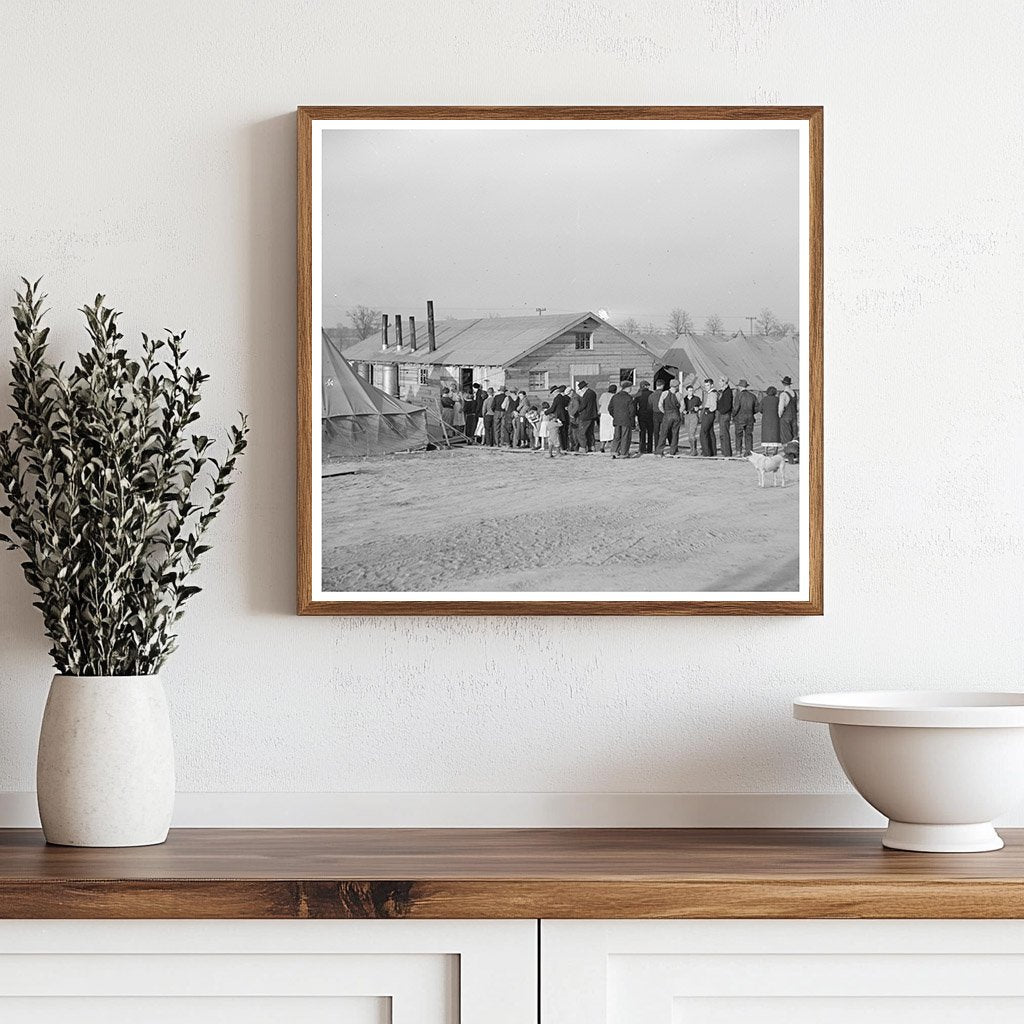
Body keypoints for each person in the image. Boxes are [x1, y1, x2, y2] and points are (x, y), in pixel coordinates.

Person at [608, 382, 636, 458]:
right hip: (626, 420)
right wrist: (633, 422)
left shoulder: (615, 397)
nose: (631, 389)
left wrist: (615, 415)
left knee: (617, 436)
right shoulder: (629, 398)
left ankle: (614, 451)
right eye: (630, 387)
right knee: (625, 437)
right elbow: (632, 411)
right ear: (627, 388)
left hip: (617, 420)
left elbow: (610, 408)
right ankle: (624, 453)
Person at [732, 379, 759, 457]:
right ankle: (749, 452)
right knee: (749, 435)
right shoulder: (752, 396)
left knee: (738, 436)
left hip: (740, 419)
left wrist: (733, 415)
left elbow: (736, 407)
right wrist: (751, 412)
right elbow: (757, 408)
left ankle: (738, 452)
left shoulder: (738, 396)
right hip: (750, 418)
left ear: (740, 387)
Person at [656, 382, 681, 456]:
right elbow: (683, 406)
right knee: (675, 433)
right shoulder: (679, 394)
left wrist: (664, 412)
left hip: (667, 414)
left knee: (663, 433)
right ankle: (673, 451)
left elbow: (659, 405)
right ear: (676, 386)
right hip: (676, 414)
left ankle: (660, 450)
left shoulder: (664, 393)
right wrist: (678, 413)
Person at [575, 380, 598, 453]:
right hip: (592, 415)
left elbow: (583, 405)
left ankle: (583, 447)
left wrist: (576, 410)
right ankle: (592, 446)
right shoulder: (592, 393)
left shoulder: (587, 394)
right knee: (590, 432)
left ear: (583, 388)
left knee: (581, 432)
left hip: (585, 415)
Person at [548, 384, 571, 451]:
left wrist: (546, 412)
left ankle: (563, 447)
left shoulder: (557, 398)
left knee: (561, 433)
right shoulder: (564, 397)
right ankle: (566, 446)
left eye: (553, 393)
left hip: (560, 417)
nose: (553, 395)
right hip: (565, 416)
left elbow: (552, 408)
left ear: (555, 392)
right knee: (565, 432)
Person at [699, 377, 717, 456]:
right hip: (707, 412)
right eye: (705, 385)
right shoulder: (709, 393)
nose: (706, 387)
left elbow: (714, 406)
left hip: (708, 413)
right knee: (710, 432)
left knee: (703, 432)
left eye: (708, 385)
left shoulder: (712, 394)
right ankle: (712, 451)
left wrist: (708, 411)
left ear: (712, 385)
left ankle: (706, 452)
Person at [715, 376, 733, 457]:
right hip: (722, 414)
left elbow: (728, 405)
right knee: (722, 433)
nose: (719, 383)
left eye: (720, 381)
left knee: (724, 433)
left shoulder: (728, 392)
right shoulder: (722, 391)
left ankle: (727, 453)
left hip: (725, 414)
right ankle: (724, 451)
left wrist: (722, 411)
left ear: (724, 382)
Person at [634, 380, 654, 454]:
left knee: (642, 432)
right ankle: (650, 449)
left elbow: (634, 405)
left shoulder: (638, 394)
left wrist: (636, 413)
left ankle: (642, 449)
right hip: (650, 414)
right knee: (650, 432)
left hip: (641, 414)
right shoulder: (651, 393)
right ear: (645, 386)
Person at [682, 384, 702, 456]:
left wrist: (698, 408)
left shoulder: (696, 398)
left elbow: (701, 405)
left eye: (692, 390)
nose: (691, 392)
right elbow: (681, 407)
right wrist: (683, 411)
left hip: (694, 415)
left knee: (692, 432)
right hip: (687, 416)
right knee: (689, 433)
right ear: (687, 391)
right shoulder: (684, 399)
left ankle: (694, 450)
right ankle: (692, 449)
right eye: (690, 390)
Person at [649, 380, 666, 455]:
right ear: (662, 386)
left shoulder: (652, 395)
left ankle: (656, 448)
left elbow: (649, 406)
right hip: (663, 414)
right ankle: (661, 448)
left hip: (655, 414)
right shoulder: (664, 394)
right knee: (663, 432)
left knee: (656, 432)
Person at [779, 376, 798, 443]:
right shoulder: (795, 393)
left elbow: (781, 407)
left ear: (783, 384)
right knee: (794, 433)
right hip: (794, 415)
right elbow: (797, 406)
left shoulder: (783, 394)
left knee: (786, 435)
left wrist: (780, 415)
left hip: (786, 416)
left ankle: (787, 450)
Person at [598, 384, 616, 453]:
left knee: (603, 430)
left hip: (603, 414)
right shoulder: (614, 396)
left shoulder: (604, 394)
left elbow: (600, 402)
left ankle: (602, 446)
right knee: (611, 431)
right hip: (611, 414)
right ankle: (612, 447)